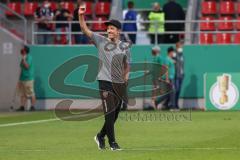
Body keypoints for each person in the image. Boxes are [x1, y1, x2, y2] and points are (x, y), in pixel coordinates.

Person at [78, 3, 130, 151]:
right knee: (109, 113)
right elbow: (84, 29)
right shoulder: (100, 41)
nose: (109, 30)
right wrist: (81, 15)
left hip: (119, 84)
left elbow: (127, 65)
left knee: (115, 115)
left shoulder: (125, 47)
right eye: (108, 28)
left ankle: (100, 136)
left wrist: (126, 77)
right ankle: (113, 143)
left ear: (118, 31)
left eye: (112, 28)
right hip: (105, 83)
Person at [17, 46, 36, 111]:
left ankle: (32, 106)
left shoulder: (29, 57)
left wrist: (24, 59)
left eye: (23, 50)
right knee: (23, 93)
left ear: (25, 51)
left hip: (28, 78)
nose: (22, 51)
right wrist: (19, 78)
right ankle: (22, 106)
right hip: (22, 78)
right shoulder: (23, 58)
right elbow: (22, 68)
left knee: (31, 93)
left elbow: (27, 66)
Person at [174, 41, 184, 109]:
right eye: (180, 47)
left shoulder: (182, 55)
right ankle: (173, 104)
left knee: (179, 91)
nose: (181, 48)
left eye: (181, 47)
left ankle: (176, 104)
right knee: (176, 90)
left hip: (181, 75)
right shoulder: (175, 55)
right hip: (176, 75)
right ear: (177, 47)